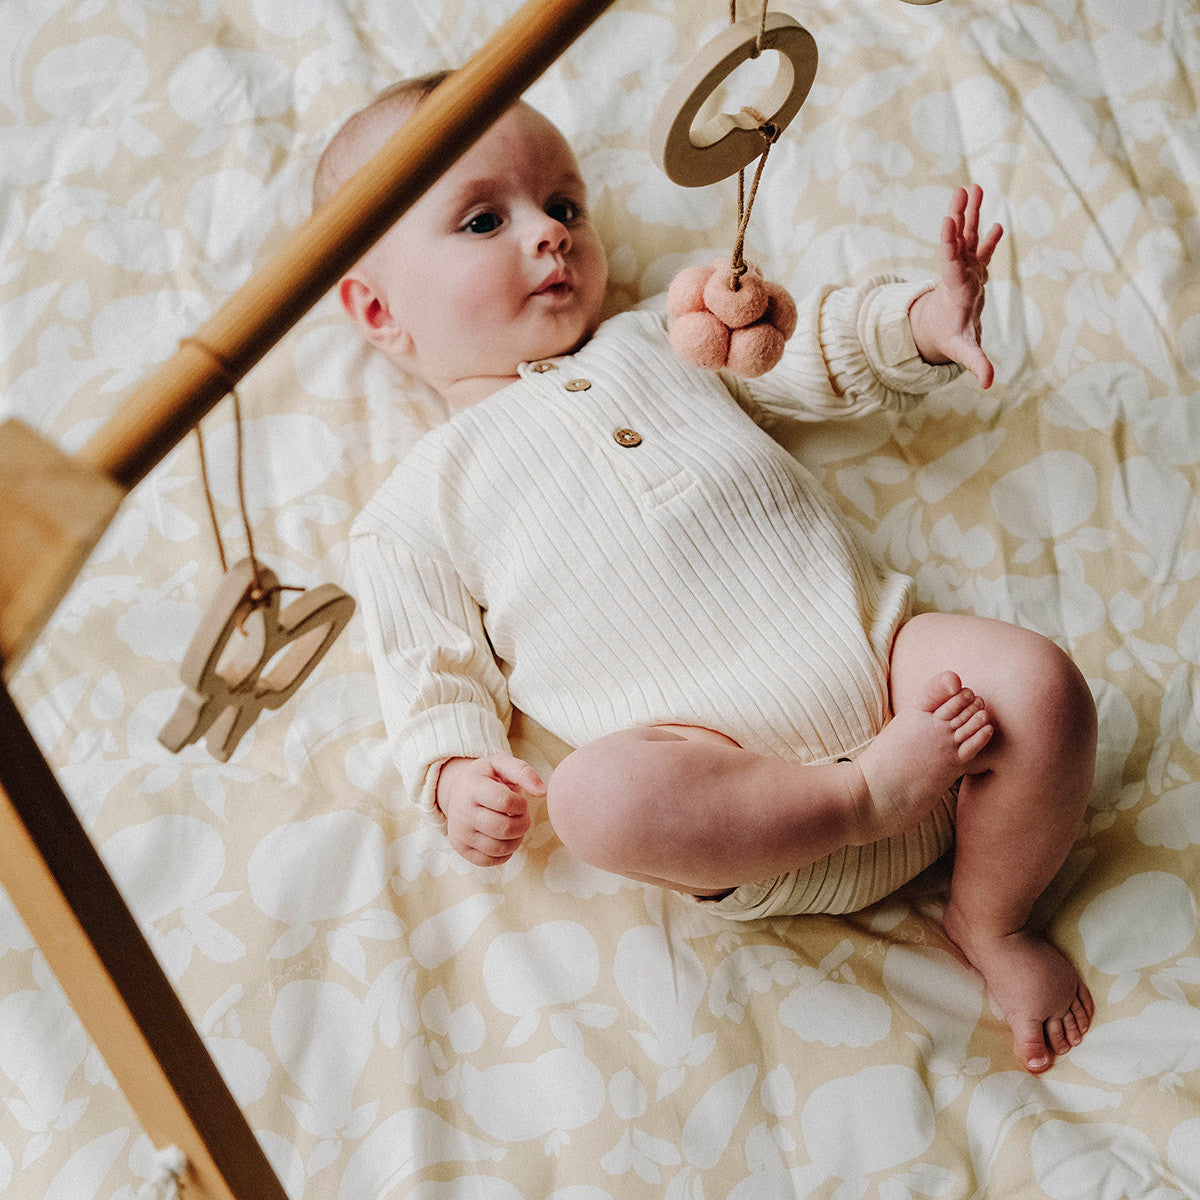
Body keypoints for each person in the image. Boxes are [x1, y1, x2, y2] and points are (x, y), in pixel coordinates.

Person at [323, 74, 1098, 1074]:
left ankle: (991, 919)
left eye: (564, 206)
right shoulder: (412, 505)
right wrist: (455, 772)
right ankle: (859, 795)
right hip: (739, 805)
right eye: (483, 219)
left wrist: (919, 322)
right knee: (596, 797)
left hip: (907, 693)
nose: (549, 234)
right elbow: (425, 671)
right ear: (379, 310)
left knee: (1041, 685)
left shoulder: (664, 332)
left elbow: (804, 345)